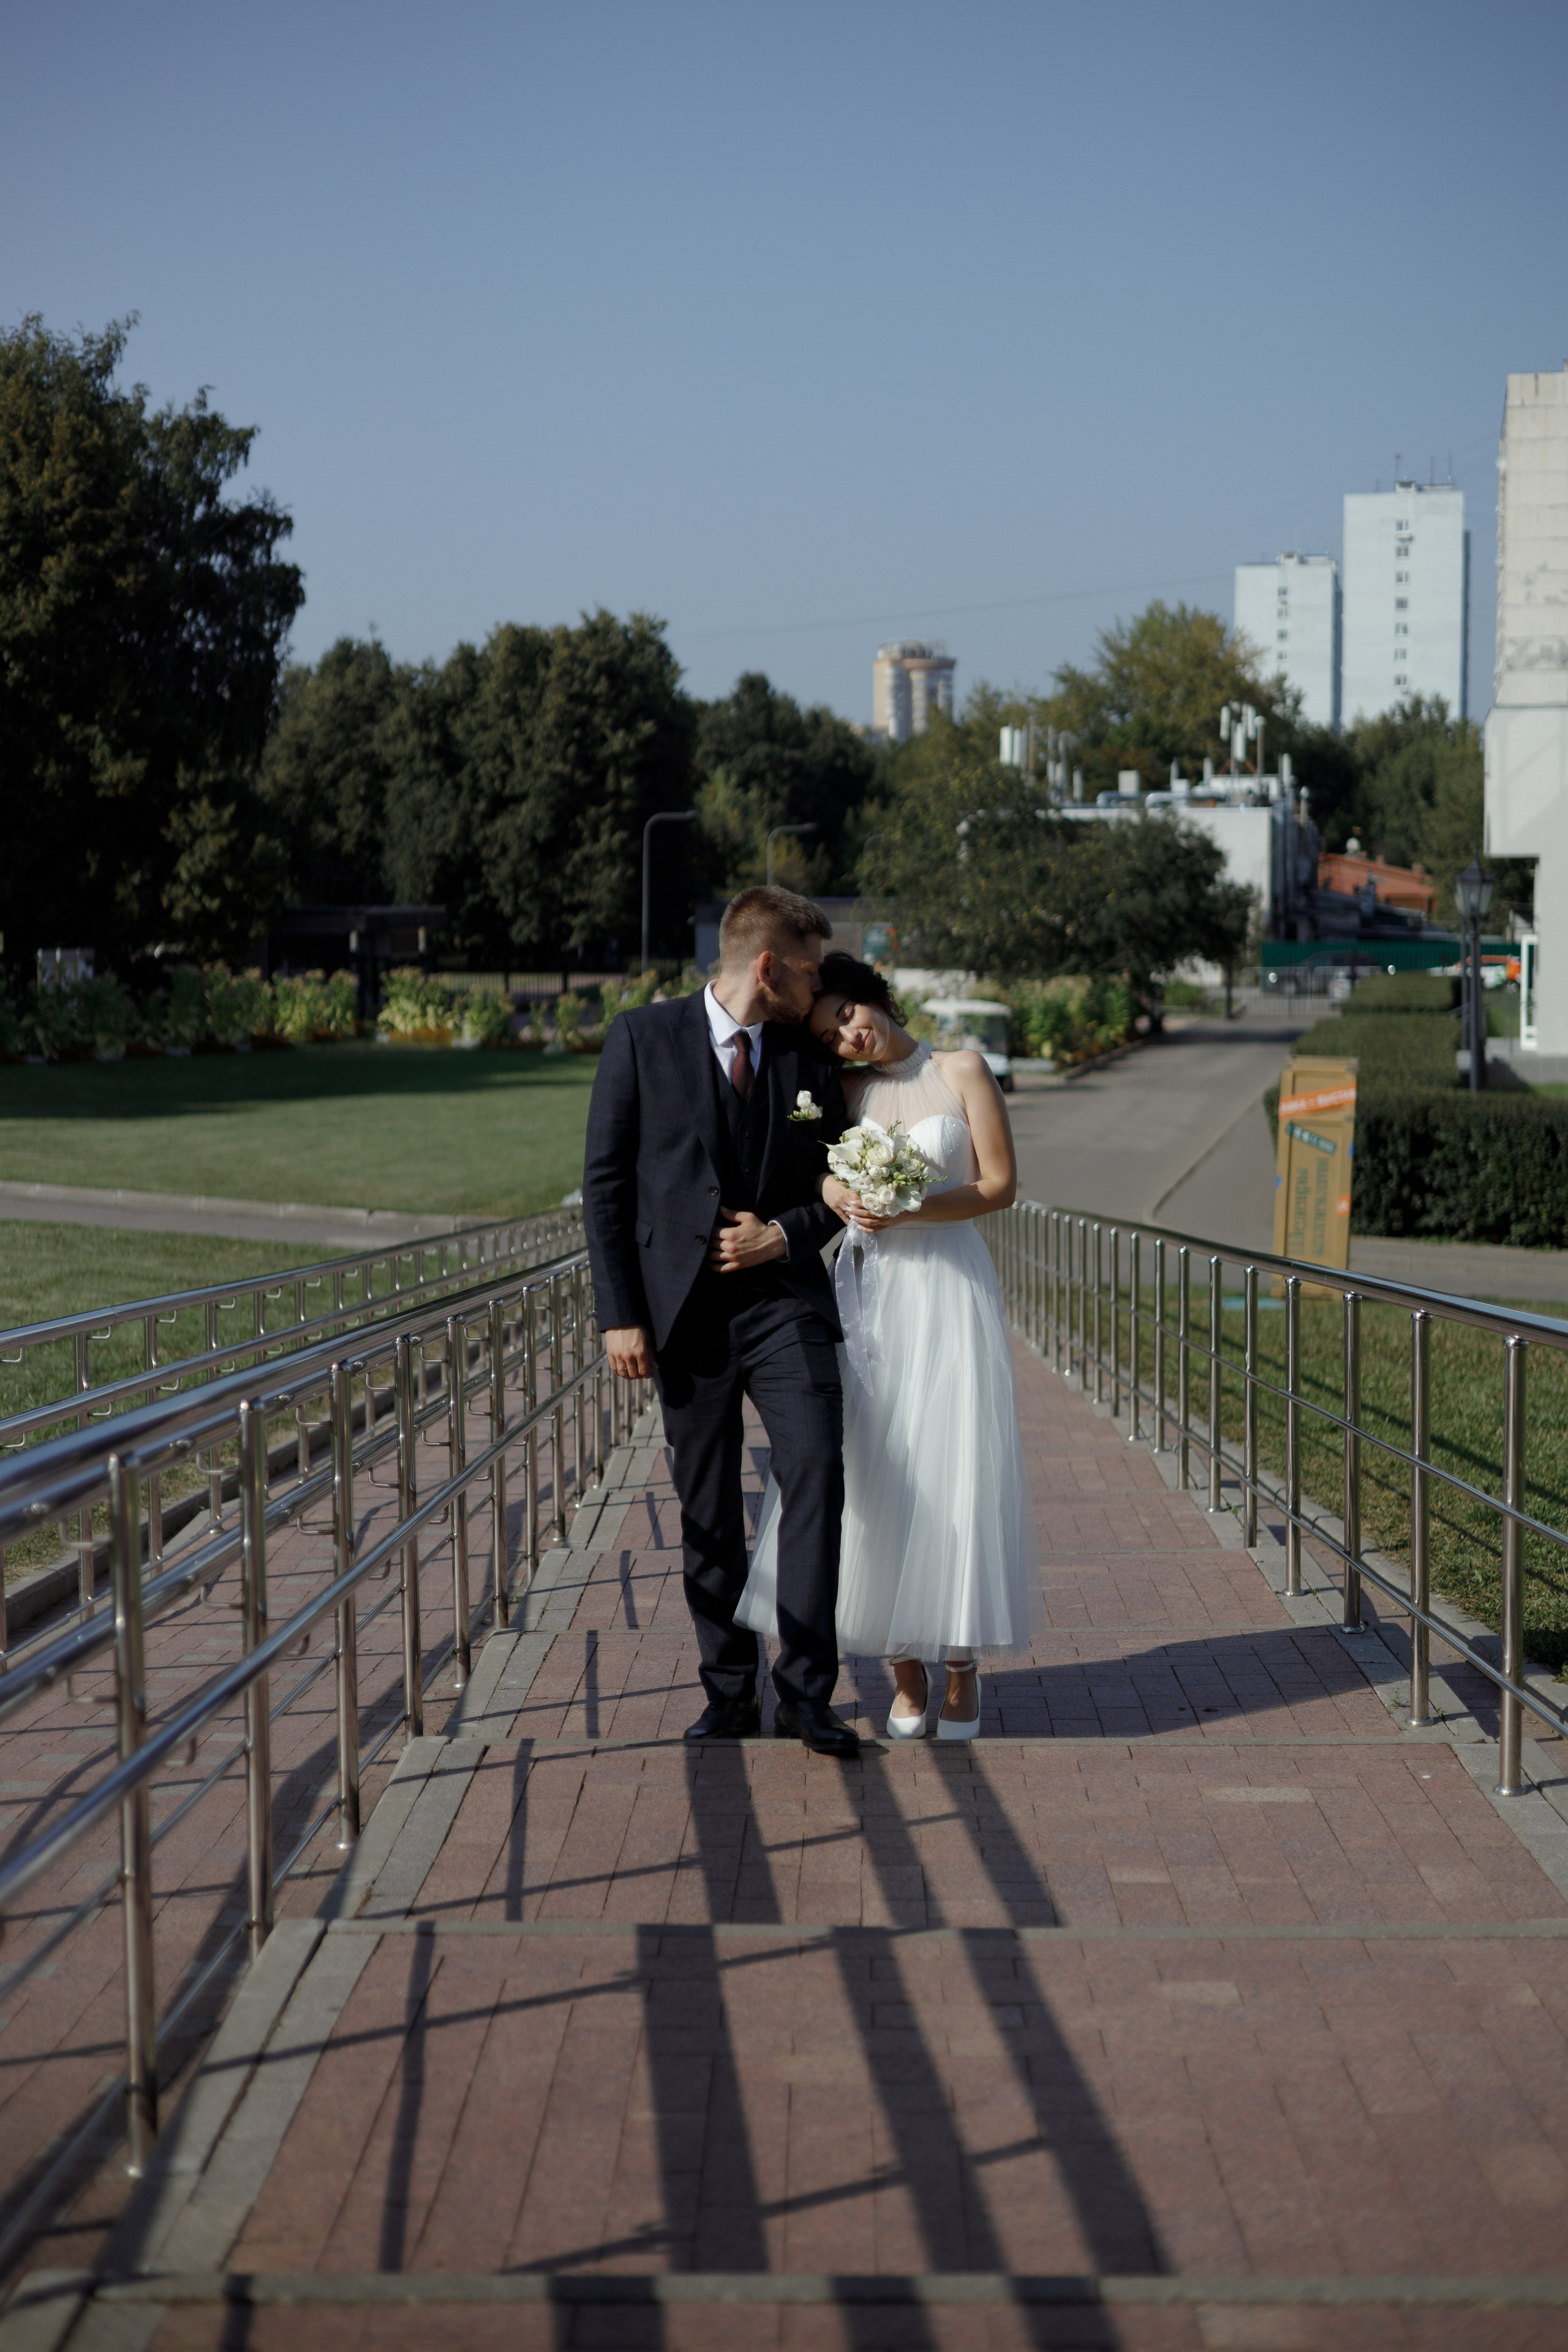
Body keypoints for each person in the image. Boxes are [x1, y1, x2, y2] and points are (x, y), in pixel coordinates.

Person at [581, 887, 861, 1758]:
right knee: (706, 1502)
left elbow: (840, 1186)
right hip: (684, 1316)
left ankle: (809, 1694)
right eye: (810, 973)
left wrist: (781, 1235)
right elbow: (606, 1187)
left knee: (816, 1469)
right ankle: (729, 1692)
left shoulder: (803, 1060)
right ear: (768, 967)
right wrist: (620, 1316)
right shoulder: (642, 1037)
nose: (818, 993)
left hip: (785, 1308)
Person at [737, 954, 1036, 1739]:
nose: (846, 1037)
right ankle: (902, 1666)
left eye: (846, 1015)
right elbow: (811, 1178)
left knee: (954, 1466)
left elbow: (999, 1186)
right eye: (831, 1033)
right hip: (869, 1295)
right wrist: (835, 1190)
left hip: (949, 1288)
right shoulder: (840, 1094)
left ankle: (962, 1664)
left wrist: (908, 1210)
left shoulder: (963, 1070)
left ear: (872, 997)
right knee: (876, 1468)